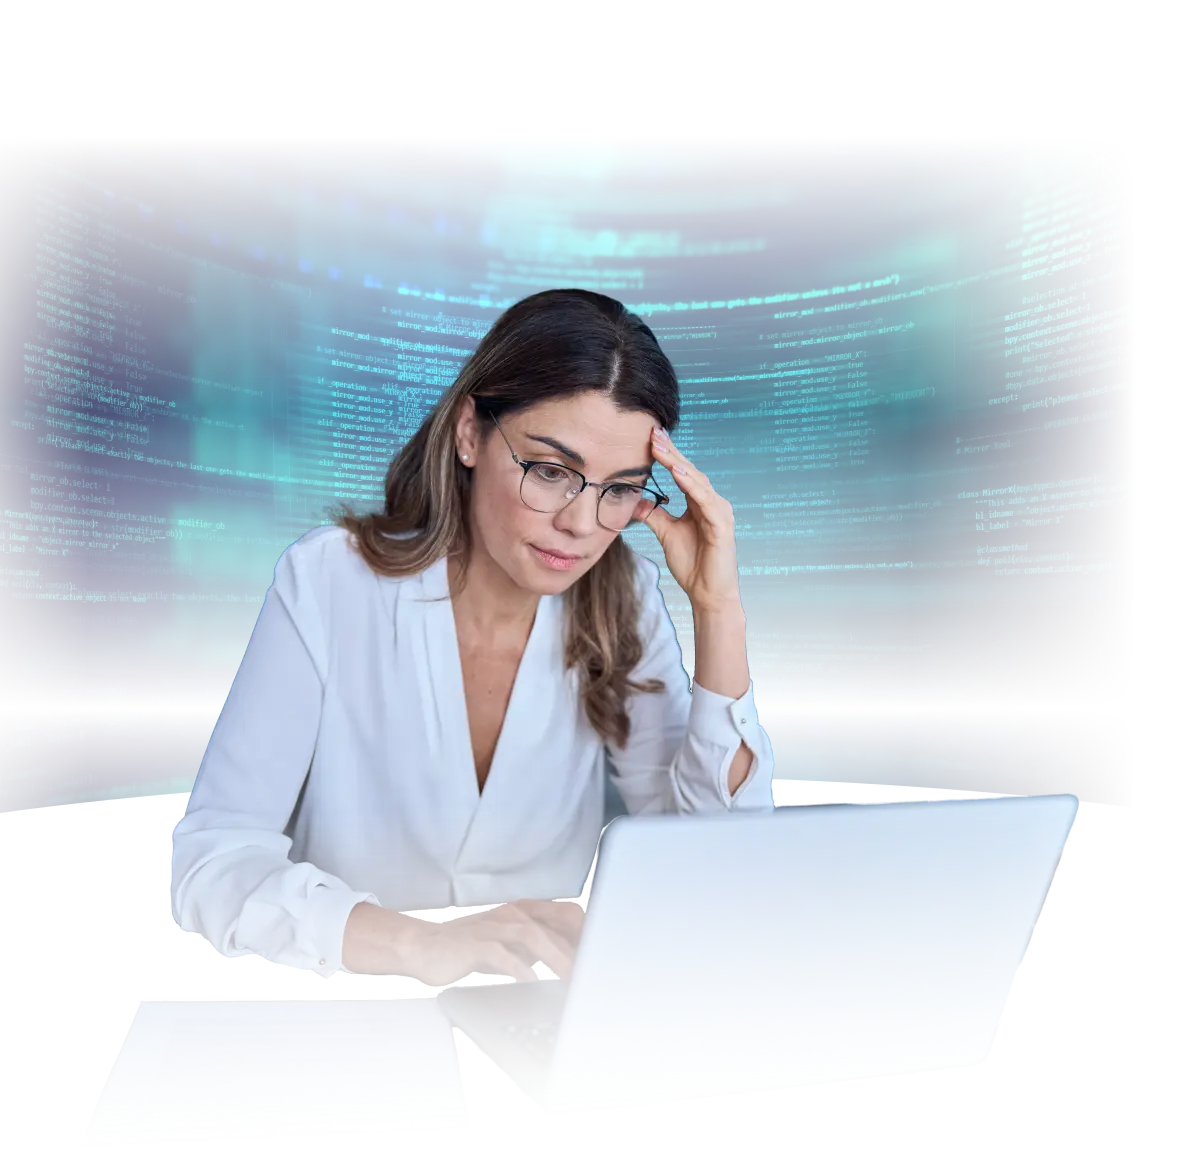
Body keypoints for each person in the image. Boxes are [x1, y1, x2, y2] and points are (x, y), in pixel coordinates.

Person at [169, 288, 775, 988]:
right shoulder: (329, 579)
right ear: (468, 433)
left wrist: (718, 608)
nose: (581, 524)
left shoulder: (625, 597)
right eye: (551, 472)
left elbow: (713, 867)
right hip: (344, 1000)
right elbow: (212, 864)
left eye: (618, 489)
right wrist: (416, 945)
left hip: (534, 1009)